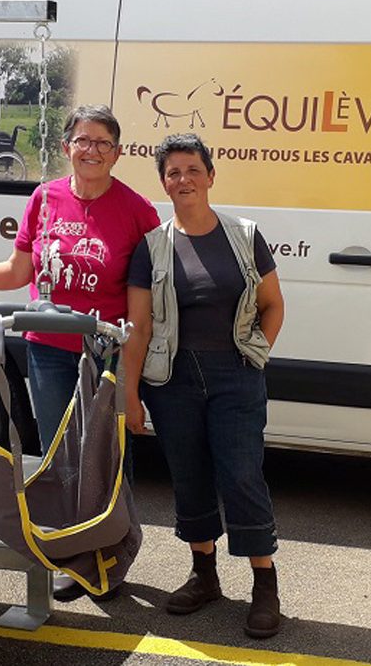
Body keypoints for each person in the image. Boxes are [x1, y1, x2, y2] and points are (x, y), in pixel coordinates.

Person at [0, 105, 160, 599]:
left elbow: (141, 314)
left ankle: (113, 556)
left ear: (117, 153)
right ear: (66, 146)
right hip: (48, 351)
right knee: (62, 458)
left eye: (103, 142)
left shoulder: (139, 212)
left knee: (107, 459)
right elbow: (17, 271)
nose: (91, 149)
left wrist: (131, 385)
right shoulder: (44, 198)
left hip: (104, 356)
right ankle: (76, 558)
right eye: (83, 140)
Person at [124, 133, 286, 638]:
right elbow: (140, 327)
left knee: (240, 474)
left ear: (211, 176)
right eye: (173, 172)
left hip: (234, 376)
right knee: (190, 476)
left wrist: (254, 357)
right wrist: (130, 394)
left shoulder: (244, 234)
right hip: (173, 380)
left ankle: (265, 585)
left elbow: (273, 304)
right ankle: (204, 574)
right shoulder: (151, 249)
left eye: (193, 169)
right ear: (164, 183)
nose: (183, 180)